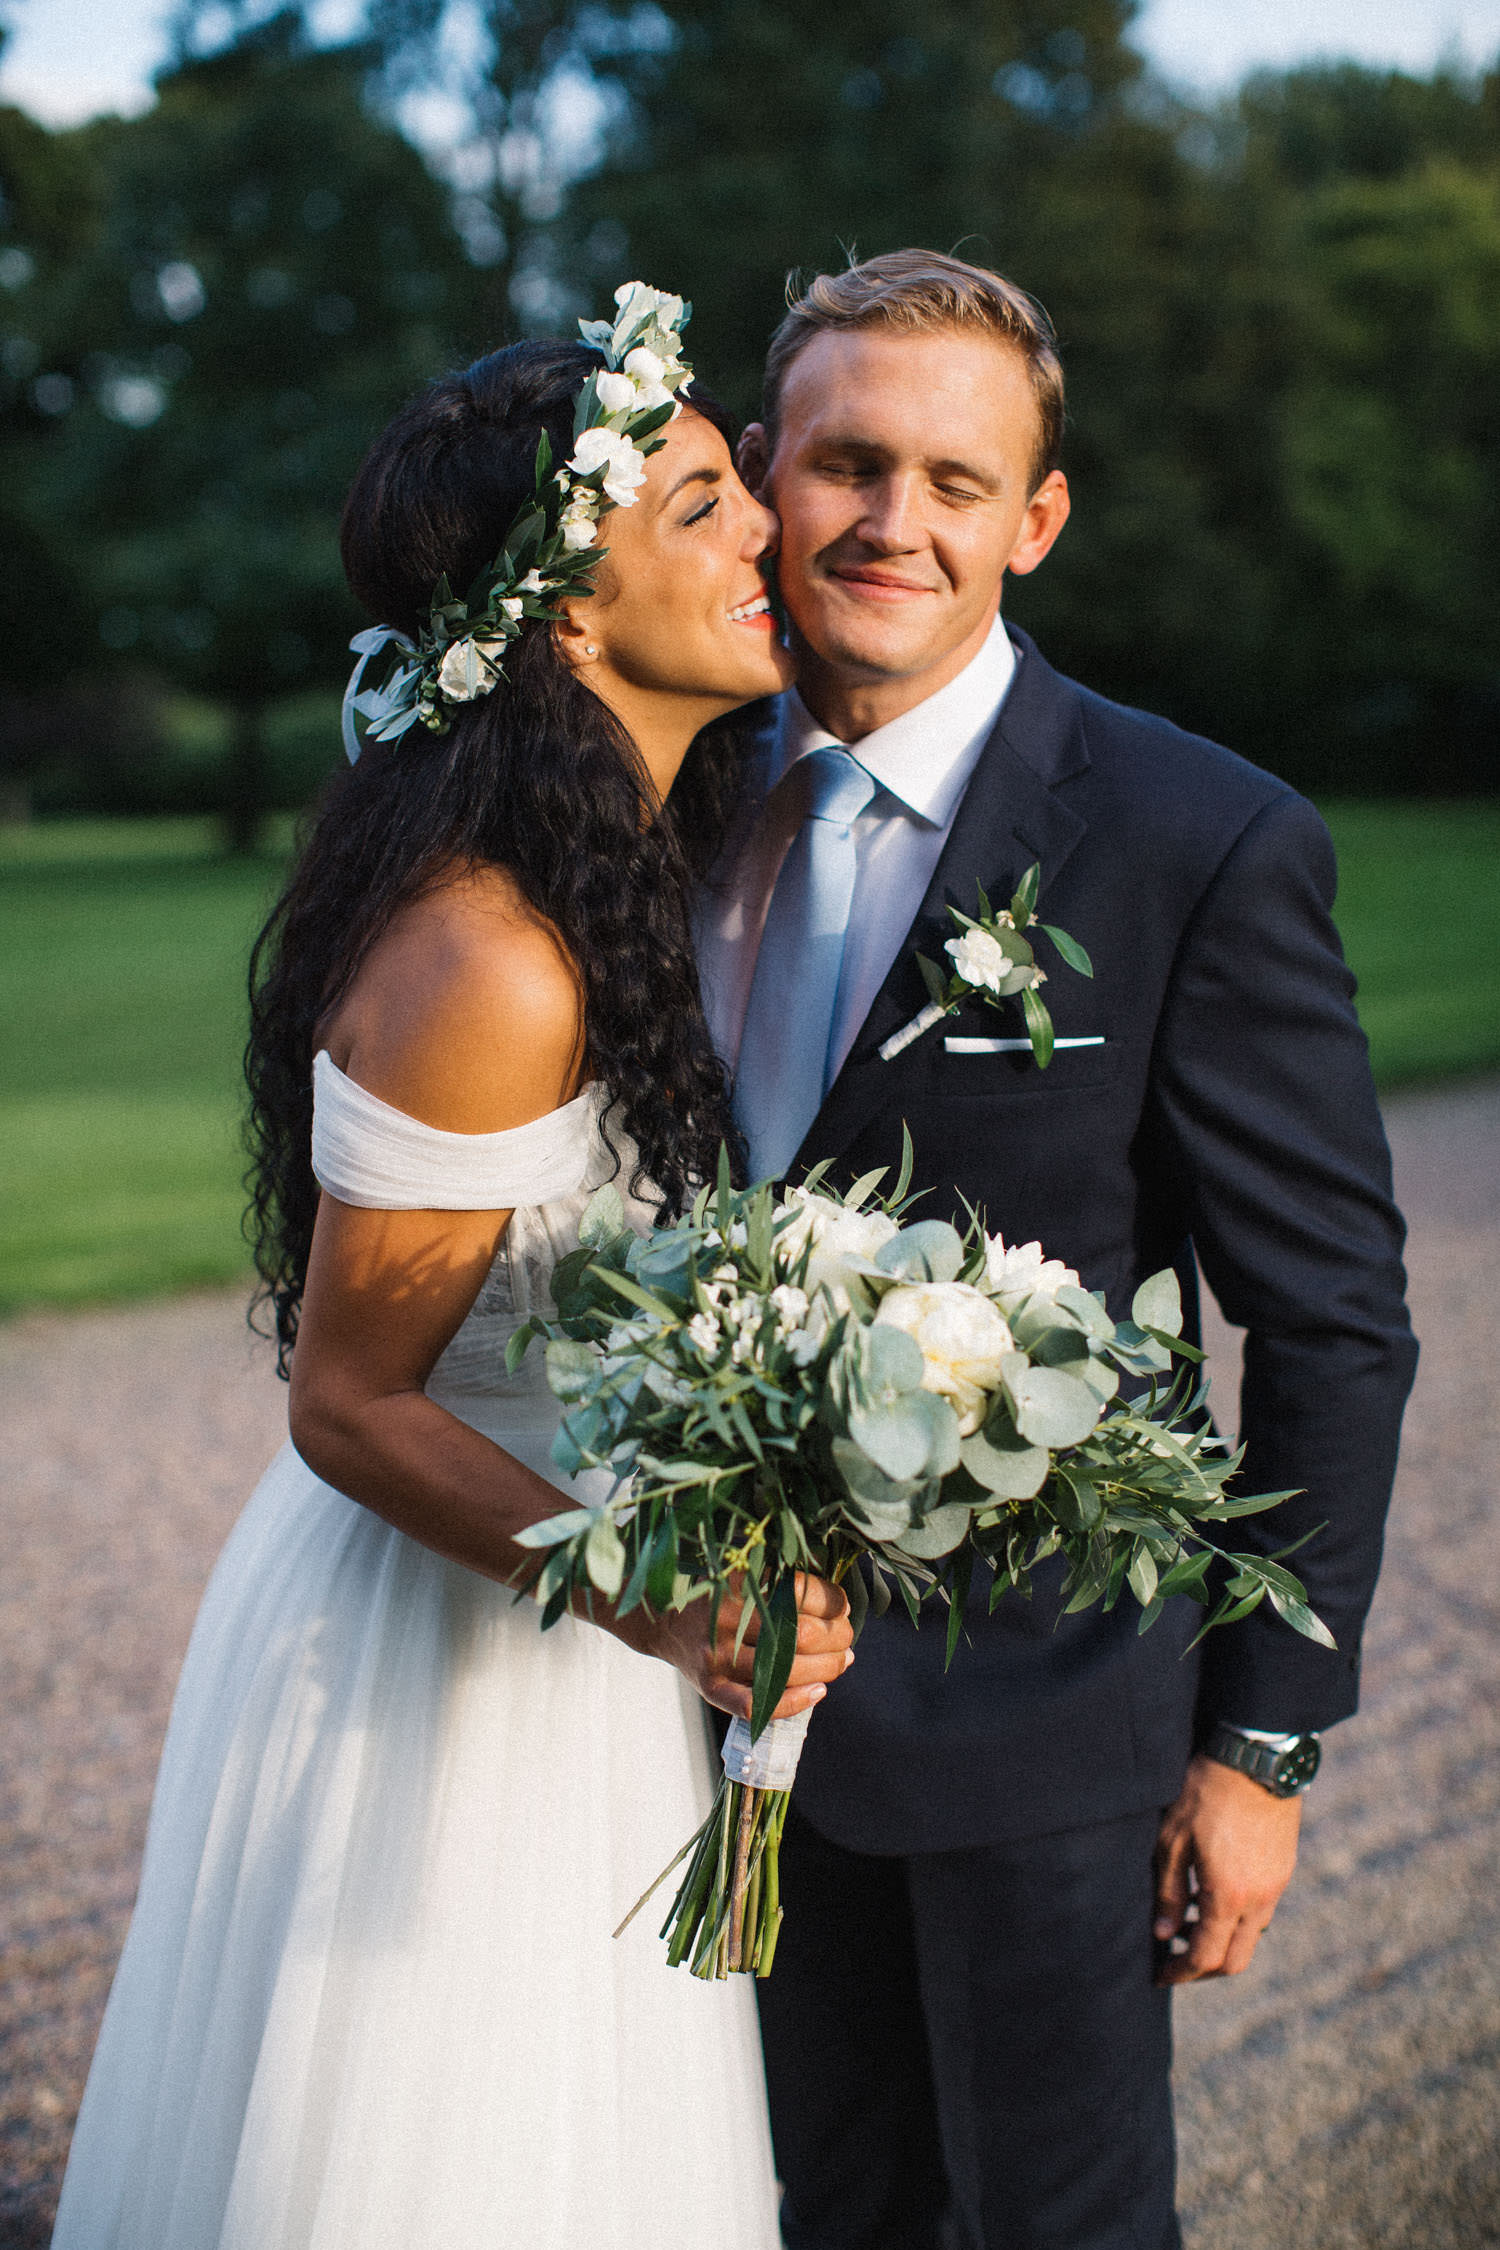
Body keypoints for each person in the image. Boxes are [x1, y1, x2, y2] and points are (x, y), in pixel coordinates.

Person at [50, 297, 854, 2250]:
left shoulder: (635, 879)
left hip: (570, 1649)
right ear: (568, 616)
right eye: (698, 503)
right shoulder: (492, 955)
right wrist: (661, 1594)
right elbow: (346, 1402)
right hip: (439, 1674)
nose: (765, 525)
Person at [695, 250, 1419, 2250]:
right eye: (848, 462)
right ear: (764, 469)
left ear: (1039, 517)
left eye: (953, 479)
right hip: (689, 1698)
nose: (892, 523)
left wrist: (1260, 1746)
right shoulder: (663, 796)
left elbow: (1336, 1326)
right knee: (815, 2215)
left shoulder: (1196, 838)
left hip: (1044, 1721)